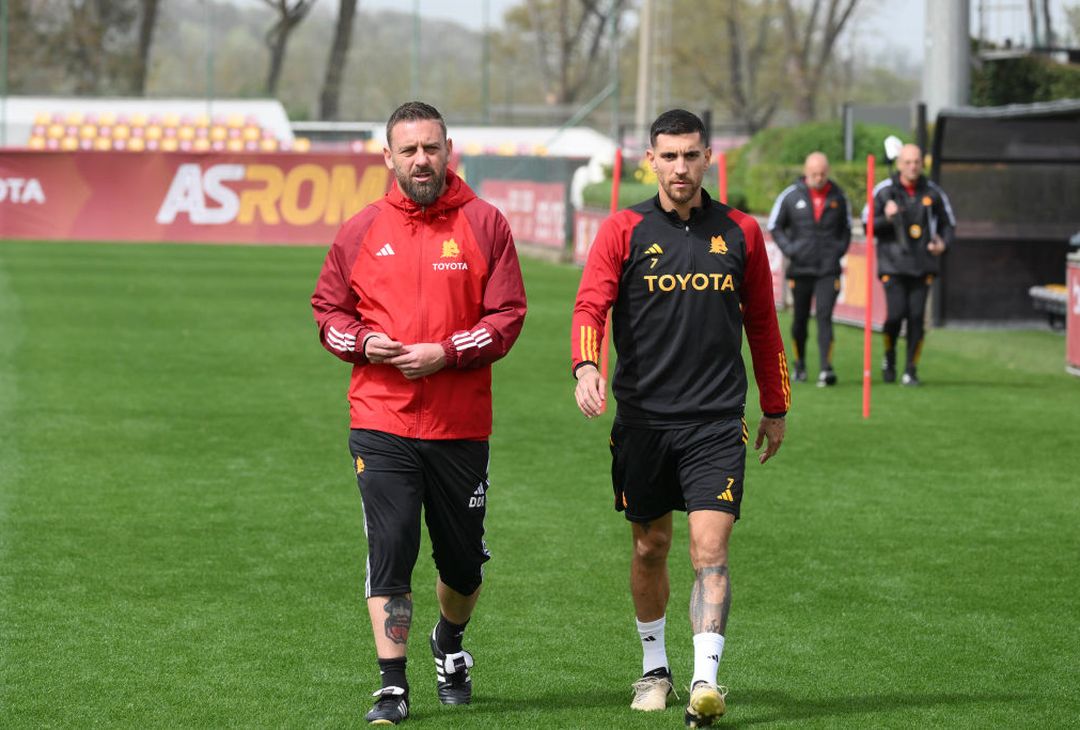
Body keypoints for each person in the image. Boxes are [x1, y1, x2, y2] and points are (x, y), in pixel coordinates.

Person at [570, 109, 790, 728]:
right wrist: (587, 369)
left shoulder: (741, 231)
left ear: (708, 158)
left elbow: (764, 325)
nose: (680, 168)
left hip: (716, 422)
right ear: (651, 159)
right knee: (650, 547)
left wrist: (775, 406)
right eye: (669, 156)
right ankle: (654, 669)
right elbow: (591, 307)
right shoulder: (623, 229)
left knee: (709, 550)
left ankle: (704, 682)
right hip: (642, 421)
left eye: (691, 155)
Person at [311, 101, 527, 725]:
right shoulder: (359, 231)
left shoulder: (486, 224)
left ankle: (449, 643)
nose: (420, 160)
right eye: (408, 150)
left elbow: (507, 317)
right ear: (388, 157)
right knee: (392, 547)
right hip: (381, 421)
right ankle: (392, 684)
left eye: (430, 148)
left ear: (448, 149)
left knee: (461, 566)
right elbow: (328, 312)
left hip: (460, 426)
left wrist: (447, 351)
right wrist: (361, 343)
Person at [865, 143, 955, 386]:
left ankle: (910, 369)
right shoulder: (884, 191)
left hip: (922, 264)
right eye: (908, 162)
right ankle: (890, 355)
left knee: (916, 316)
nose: (912, 166)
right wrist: (888, 216)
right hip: (892, 263)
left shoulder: (933, 192)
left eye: (916, 162)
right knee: (895, 315)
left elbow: (948, 224)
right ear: (899, 163)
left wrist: (942, 244)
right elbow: (868, 225)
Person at [767, 152, 852, 387]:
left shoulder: (838, 196)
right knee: (800, 319)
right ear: (806, 172)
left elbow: (846, 228)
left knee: (825, 317)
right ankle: (800, 364)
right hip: (800, 267)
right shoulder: (791, 196)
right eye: (814, 173)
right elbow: (775, 225)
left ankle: (826, 368)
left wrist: (838, 250)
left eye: (823, 173)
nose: (819, 177)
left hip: (828, 268)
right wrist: (791, 249)